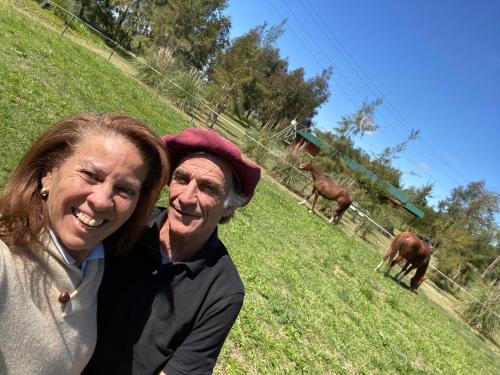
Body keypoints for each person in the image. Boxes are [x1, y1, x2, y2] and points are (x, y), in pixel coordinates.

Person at [0, 113, 169, 374]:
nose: (102, 200)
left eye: (125, 190)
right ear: (48, 173)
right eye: (90, 174)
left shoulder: (95, 263)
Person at [84, 128, 261, 375]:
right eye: (181, 178)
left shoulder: (223, 291)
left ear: (228, 208)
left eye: (208, 188)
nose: (186, 197)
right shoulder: (128, 222)